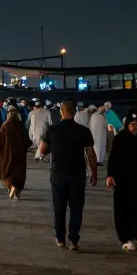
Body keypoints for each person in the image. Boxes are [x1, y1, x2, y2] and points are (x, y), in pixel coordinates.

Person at [39, 100, 98, 250]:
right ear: (74, 112)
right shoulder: (83, 131)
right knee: (76, 207)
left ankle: (60, 238)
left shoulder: (52, 130)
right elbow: (91, 153)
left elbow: (43, 150)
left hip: (58, 173)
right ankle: (73, 239)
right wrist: (94, 172)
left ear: (61, 111)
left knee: (59, 207)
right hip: (78, 174)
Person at [107, 110, 137, 252]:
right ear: (127, 125)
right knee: (124, 209)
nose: (135, 128)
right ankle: (127, 238)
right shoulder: (119, 138)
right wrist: (111, 176)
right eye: (132, 125)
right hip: (123, 181)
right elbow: (113, 159)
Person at [0, 106, 30, 200]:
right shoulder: (20, 126)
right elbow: (26, 141)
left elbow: (0, 143)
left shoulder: (4, 126)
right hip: (19, 155)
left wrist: (1, 153)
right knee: (18, 174)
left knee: (8, 172)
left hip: (7, 155)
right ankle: (16, 190)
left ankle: (11, 187)